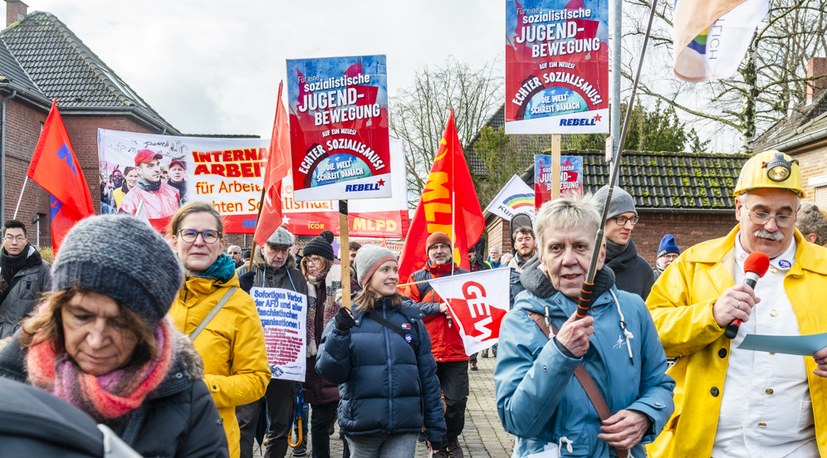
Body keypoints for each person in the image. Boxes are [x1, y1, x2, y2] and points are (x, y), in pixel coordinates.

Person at [646, 150, 827, 457]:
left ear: (796, 215)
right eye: (760, 212)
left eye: (784, 214)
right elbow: (647, 335)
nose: (771, 225)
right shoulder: (694, 264)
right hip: (710, 448)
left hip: (802, 449)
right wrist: (709, 315)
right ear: (738, 208)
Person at [0, 215, 228, 457]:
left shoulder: (185, 397)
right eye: (81, 316)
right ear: (57, 311)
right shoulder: (9, 376)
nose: (96, 341)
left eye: (120, 324)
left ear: (148, 329)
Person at [495, 197, 675, 457]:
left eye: (580, 246)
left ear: (600, 254)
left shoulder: (633, 309)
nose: (568, 259)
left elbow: (660, 384)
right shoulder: (520, 321)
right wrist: (559, 354)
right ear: (542, 258)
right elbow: (516, 420)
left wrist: (645, 415)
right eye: (556, 248)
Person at [317, 245, 447, 458]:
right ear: (368, 276)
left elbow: (428, 376)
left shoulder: (410, 317)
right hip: (362, 426)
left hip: (405, 425)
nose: (393, 276)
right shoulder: (348, 317)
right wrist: (339, 333)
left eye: (395, 270)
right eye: (385, 270)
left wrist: (435, 426)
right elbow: (330, 373)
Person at [167, 202, 271, 458]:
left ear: (220, 243)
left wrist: (200, 388)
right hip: (151, 440)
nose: (199, 241)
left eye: (209, 234)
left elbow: (257, 379)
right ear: (173, 240)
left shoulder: (239, 304)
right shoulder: (151, 294)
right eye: (190, 233)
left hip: (211, 442)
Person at [235, 226, 309, 458]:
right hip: (249, 360)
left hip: (284, 362)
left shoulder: (297, 277)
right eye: (273, 249)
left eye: (284, 251)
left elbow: (302, 316)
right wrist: (239, 290)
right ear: (262, 249)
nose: (279, 255)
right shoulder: (244, 274)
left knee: (280, 423)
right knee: (244, 423)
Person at [403, 231, 469, 458]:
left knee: (456, 401)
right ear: (428, 252)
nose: (439, 251)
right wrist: (439, 308)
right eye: (434, 247)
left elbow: (474, 307)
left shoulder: (462, 276)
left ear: (451, 251)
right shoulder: (417, 278)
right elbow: (408, 308)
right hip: (427, 350)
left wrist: (460, 313)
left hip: (457, 351)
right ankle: (436, 442)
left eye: (443, 246)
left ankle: (451, 437)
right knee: (428, 400)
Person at [299, 234, 344, 458]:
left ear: (326, 261)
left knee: (346, 424)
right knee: (318, 422)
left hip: (340, 363)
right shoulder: (302, 287)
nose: (310, 265)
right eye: (307, 260)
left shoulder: (342, 282)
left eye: (315, 259)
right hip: (314, 365)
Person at [593, 185, 654, 299]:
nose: (629, 226)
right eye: (621, 219)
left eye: (632, 219)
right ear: (600, 220)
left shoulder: (643, 271)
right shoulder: (581, 265)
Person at [0, 219, 51, 338]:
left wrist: (35, 321)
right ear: (3, 240)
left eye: (19, 238)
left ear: (26, 240)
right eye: (10, 237)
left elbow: (52, 300)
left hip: (26, 337)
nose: (14, 242)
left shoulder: (41, 267)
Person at [119, 149, 180, 219]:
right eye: (150, 166)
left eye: (157, 164)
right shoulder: (131, 199)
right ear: (139, 170)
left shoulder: (172, 191)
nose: (157, 169)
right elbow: (120, 228)